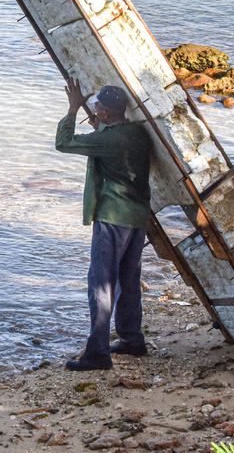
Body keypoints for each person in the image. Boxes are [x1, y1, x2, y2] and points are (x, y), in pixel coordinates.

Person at [55, 75, 153, 371]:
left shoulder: (107, 139)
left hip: (113, 217)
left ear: (105, 113)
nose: (93, 107)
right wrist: (103, 129)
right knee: (128, 279)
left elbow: (64, 143)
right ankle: (131, 339)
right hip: (138, 217)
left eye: (96, 105)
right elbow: (119, 147)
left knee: (101, 281)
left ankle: (98, 352)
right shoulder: (136, 132)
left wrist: (72, 109)